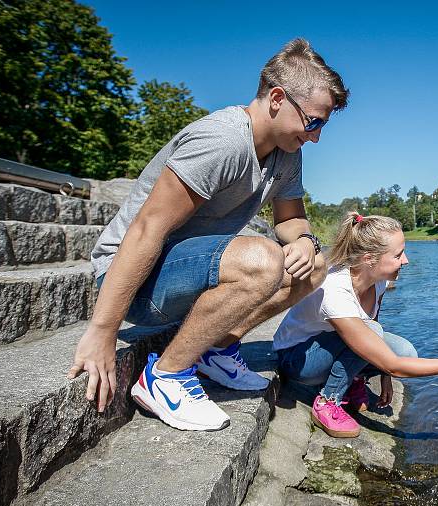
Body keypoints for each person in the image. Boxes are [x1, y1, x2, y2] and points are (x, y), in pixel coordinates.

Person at [68, 38, 349, 432]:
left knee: (315, 266)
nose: (316, 136)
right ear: (277, 98)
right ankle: (165, 377)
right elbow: (147, 229)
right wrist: (103, 331)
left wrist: (304, 239)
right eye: (313, 122)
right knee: (262, 260)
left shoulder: (288, 152)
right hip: (134, 280)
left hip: (185, 274)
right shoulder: (221, 140)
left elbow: (291, 219)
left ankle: (215, 349)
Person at [273, 213, 438, 438]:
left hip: (331, 344)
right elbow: (393, 362)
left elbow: (373, 323)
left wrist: (383, 373)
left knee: (405, 350)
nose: (406, 261)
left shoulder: (377, 280)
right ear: (369, 259)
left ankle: (354, 379)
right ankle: (327, 401)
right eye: (398, 255)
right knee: (377, 337)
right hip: (298, 359)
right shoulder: (336, 289)